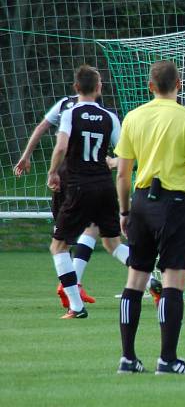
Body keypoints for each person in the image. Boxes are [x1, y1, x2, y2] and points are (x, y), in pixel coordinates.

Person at [115, 60, 185, 375]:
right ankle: (167, 359)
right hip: (174, 204)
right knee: (173, 282)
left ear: (150, 87)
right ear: (180, 84)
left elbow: (122, 173)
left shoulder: (133, 117)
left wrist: (124, 211)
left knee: (135, 281)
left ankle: (128, 358)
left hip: (142, 203)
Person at [45, 65, 131, 318]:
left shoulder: (71, 114)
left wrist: (52, 172)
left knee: (58, 246)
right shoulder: (109, 117)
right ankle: (150, 282)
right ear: (99, 87)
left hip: (79, 187)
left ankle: (76, 306)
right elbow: (125, 154)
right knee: (113, 243)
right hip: (105, 186)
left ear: (75, 88)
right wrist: (113, 163)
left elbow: (61, 147)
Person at [14, 92, 112, 307]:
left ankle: (72, 285)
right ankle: (72, 289)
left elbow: (41, 128)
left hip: (66, 174)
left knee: (85, 231)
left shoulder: (65, 105)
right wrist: (113, 162)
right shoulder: (100, 112)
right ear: (95, 86)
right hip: (79, 177)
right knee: (72, 238)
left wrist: (26, 156)